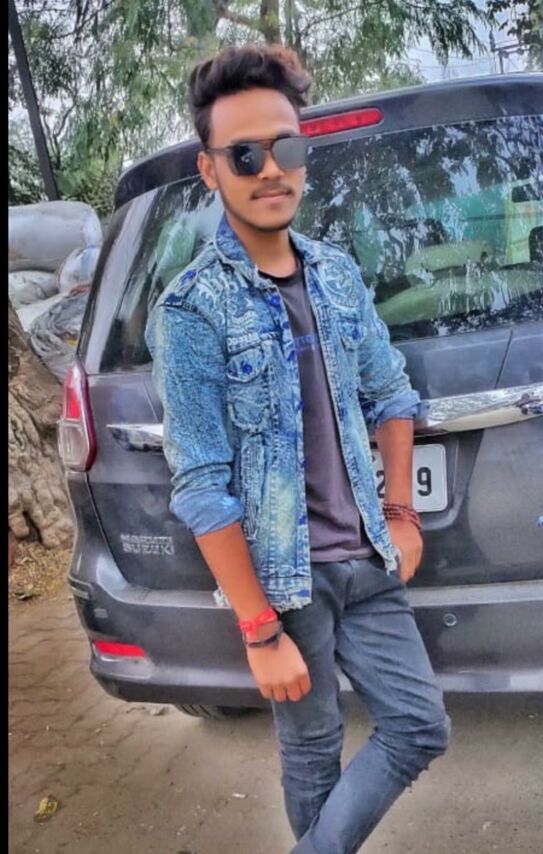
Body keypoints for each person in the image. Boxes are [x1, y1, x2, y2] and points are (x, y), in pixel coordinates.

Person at [145, 43, 451, 854]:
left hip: (370, 559)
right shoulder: (191, 310)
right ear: (211, 170)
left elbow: (391, 394)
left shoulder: (337, 274)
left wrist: (400, 512)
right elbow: (201, 484)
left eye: (286, 146)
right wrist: (258, 628)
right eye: (245, 154)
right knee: (312, 747)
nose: (271, 169)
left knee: (419, 724)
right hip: (287, 581)